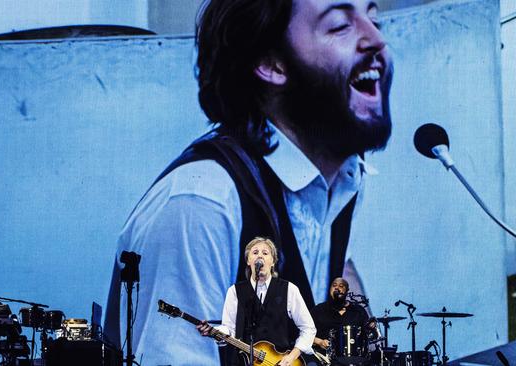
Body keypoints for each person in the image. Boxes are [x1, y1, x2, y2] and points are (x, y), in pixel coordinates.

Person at [104, 0, 393, 364]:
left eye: (374, 18)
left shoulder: (342, 181)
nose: (377, 40)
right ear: (270, 63)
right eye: (340, 26)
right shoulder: (200, 204)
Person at [197, 237, 316, 366]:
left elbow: (308, 328)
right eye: (255, 252)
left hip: (278, 362)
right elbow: (229, 329)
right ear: (248, 261)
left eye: (265, 253)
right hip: (243, 362)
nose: (260, 256)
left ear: (273, 261)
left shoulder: (289, 289)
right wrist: (214, 332)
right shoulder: (235, 291)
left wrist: (292, 356)